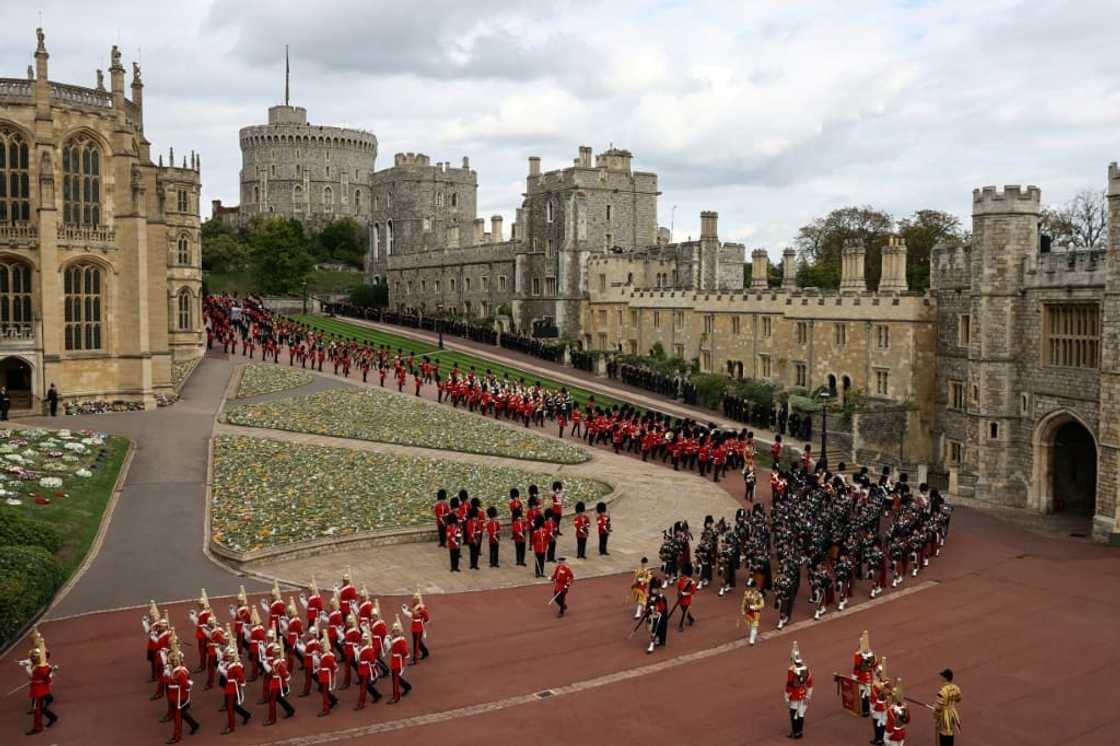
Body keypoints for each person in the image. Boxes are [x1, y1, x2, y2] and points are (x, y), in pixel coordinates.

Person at [21, 633, 58, 735]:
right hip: (38, 688)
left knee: (38, 710)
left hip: (39, 690)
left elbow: (35, 674)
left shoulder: (39, 668)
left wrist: (27, 667)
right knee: (40, 708)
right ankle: (53, 717)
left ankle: (38, 727)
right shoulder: (38, 665)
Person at [166, 640, 200, 744]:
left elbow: (185, 685)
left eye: (173, 660)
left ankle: (177, 736)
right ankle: (194, 725)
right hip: (174, 695)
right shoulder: (173, 670)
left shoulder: (180, 672)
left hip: (179, 696)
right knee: (181, 714)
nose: (171, 661)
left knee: (177, 718)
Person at [218, 642, 251, 734]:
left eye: (229, 656)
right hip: (230, 686)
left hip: (232, 688)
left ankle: (231, 726)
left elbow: (242, 678)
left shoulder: (235, 666)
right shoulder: (232, 664)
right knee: (232, 706)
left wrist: (238, 683)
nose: (227, 658)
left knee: (230, 707)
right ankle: (246, 715)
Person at [784, 641, 812, 740]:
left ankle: (795, 732)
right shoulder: (807, 669)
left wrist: (787, 696)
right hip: (803, 693)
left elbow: (789, 685)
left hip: (795, 695)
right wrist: (808, 695)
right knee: (800, 713)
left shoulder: (791, 670)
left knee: (793, 712)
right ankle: (800, 732)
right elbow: (809, 683)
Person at [264, 641, 295, 725]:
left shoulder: (279, 663)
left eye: (273, 653)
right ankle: (290, 710)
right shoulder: (277, 662)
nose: (272, 654)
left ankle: (272, 719)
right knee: (278, 699)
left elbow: (286, 675)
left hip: (277, 684)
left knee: (272, 701)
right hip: (275, 682)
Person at [386, 616, 413, 703]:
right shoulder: (394, 638)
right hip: (394, 660)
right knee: (395, 678)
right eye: (394, 631)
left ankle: (396, 697)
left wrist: (403, 657)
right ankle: (407, 687)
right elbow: (391, 649)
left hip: (398, 661)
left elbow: (404, 652)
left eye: (396, 631)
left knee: (395, 680)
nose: (395, 632)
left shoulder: (401, 640)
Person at [933, 669, 962, 746]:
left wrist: (935, 716)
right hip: (952, 712)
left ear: (945, 678)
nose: (941, 678)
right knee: (950, 731)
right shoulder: (956, 688)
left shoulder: (942, 692)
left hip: (944, 714)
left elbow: (938, 707)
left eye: (942, 676)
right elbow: (959, 699)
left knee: (944, 733)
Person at [401, 592, 431, 663]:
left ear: (417, 600)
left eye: (414, 599)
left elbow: (425, 617)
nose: (413, 600)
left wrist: (407, 609)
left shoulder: (421, 608)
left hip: (418, 627)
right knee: (418, 641)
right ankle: (425, 652)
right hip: (414, 625)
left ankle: (415, 659)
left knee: (416, 644)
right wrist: (406, 611)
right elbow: (413, 615)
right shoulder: (415, 605)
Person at [854, 630, 878, 718]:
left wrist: (877, 673)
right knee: (864, 696)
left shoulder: (871, 655)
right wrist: (855, 678)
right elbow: (856, 668)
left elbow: (875, 665)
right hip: (862, 678)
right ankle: (865, 711)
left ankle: (874, 709)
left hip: (870, 678)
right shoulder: (858, 656)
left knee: (873, 695)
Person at [316, 631, 339, 716]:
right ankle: (333, 700)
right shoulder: (325, 654)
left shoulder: (328, 656)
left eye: (321, 646)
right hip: (323, 675)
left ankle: (326, 709)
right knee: (321, 690)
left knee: (324, 693)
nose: (320, 648)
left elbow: (334, 667)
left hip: (326, 676)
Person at [885, 679, 910, 746]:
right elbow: (908, 720)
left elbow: (890, 720)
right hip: (901, 731)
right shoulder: (904, 708)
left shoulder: (892, 709)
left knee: (886, 740)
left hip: (893, 731)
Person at [675, 563, 696, 630]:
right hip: (681, 599)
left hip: (687, 599)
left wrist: (685, 594)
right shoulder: (681, 579)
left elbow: (693, 592)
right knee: (684, 610)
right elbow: (678, 589)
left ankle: (681, 625)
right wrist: (678, 595)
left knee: (684, 612)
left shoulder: (691, 582)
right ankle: (691, 619)